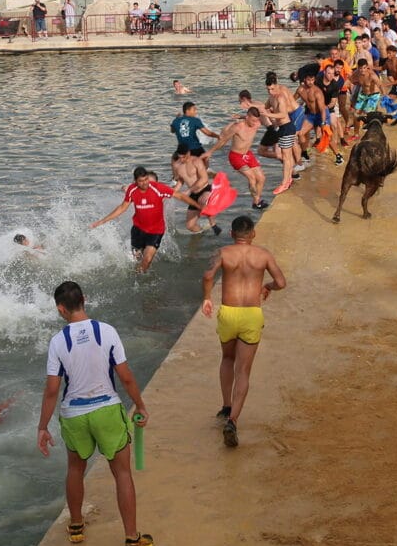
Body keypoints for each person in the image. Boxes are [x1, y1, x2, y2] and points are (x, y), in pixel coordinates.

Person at [36, 280, 153, 546]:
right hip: (107, 410)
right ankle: (132, 539)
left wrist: (42, 426)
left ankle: (76, 527)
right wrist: (140, 405)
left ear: (60, 309)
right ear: (84, 300)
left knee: (75, 470)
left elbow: (53, 389)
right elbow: (125, 376)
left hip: (74, 414)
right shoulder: (107, 331)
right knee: (122, 474)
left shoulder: (57, 342)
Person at [200, 215, 286, 448]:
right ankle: (233, 420)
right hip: (251, 314)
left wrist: (207, 298)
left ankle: (226, 405)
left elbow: (208, 275)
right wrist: (267, 286)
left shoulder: (223, 252)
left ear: (231, 234)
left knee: (227, 359)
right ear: (253, 234)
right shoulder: (263, 255)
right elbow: (281, 282)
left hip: (228, 313)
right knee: (244, 371)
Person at [91, 166, 202, 273]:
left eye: (146, 180)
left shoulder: (157, 188)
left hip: (156, 231)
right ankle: (138, 273)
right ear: (135, 181)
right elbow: (122, 208)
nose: (145, 183)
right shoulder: (132, 190)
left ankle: (139, 279)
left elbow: (180, 196)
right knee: (137, 259)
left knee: (147, 260)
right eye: (141, 181)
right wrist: (102, 221)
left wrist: (197, 205)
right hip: (138, 230)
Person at [204, 108, 269, 210]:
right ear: (247, 117)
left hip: (247, 154)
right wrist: (210, 152)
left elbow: (265, 115)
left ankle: (256, 202)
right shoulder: (237, 127)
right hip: (236, 156)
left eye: (256, 120)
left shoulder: (257, 124)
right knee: (252, 178)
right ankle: (257, 201)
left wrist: (242, 116)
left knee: (261, 178)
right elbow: (223, 140)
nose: (254, 123)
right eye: (252, 120)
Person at [171, 145, 221, 234]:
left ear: (188, 153)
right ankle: (202, 233)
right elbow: (181, 181)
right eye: (180, 157)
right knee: (190, 226)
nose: (182, 160)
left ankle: (213, 224)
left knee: (203, 200)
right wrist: (172, 192)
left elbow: (204, 179)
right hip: (193, 194)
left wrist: (189, 190)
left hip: (205, 189)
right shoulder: (177, 165)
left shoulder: (196, 161)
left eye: (184, 157)